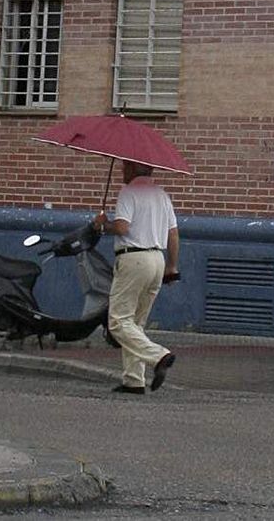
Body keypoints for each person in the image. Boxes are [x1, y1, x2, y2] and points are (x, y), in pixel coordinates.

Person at [93, 161, 180, 394]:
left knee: (119, 321)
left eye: (125, 166)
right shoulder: (162, 195)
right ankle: (134, 380)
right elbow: (173, 233)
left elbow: (122, 228)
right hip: (157, 259)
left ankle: (159, 356)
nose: (122, 170)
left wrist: (103, 225)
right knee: (136, 323)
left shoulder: (129, 191)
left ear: (134, 169)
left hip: (133, 259)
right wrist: (171, 266)